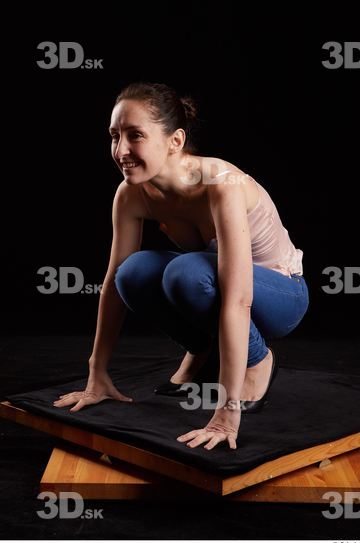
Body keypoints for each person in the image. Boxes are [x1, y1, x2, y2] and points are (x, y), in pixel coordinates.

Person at [53, 82, 309, 451]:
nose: (121, 150)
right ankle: (202, 348)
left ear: (175, 141)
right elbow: (113, 284)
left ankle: (258, 361)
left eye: (135, 135)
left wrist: (227, 410)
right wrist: (97, 372)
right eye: (114, 136)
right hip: (221, 288)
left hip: (281, 296)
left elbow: (238, 299)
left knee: (186, 273)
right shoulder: (131, 193)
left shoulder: (221, 183)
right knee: (133, 273)